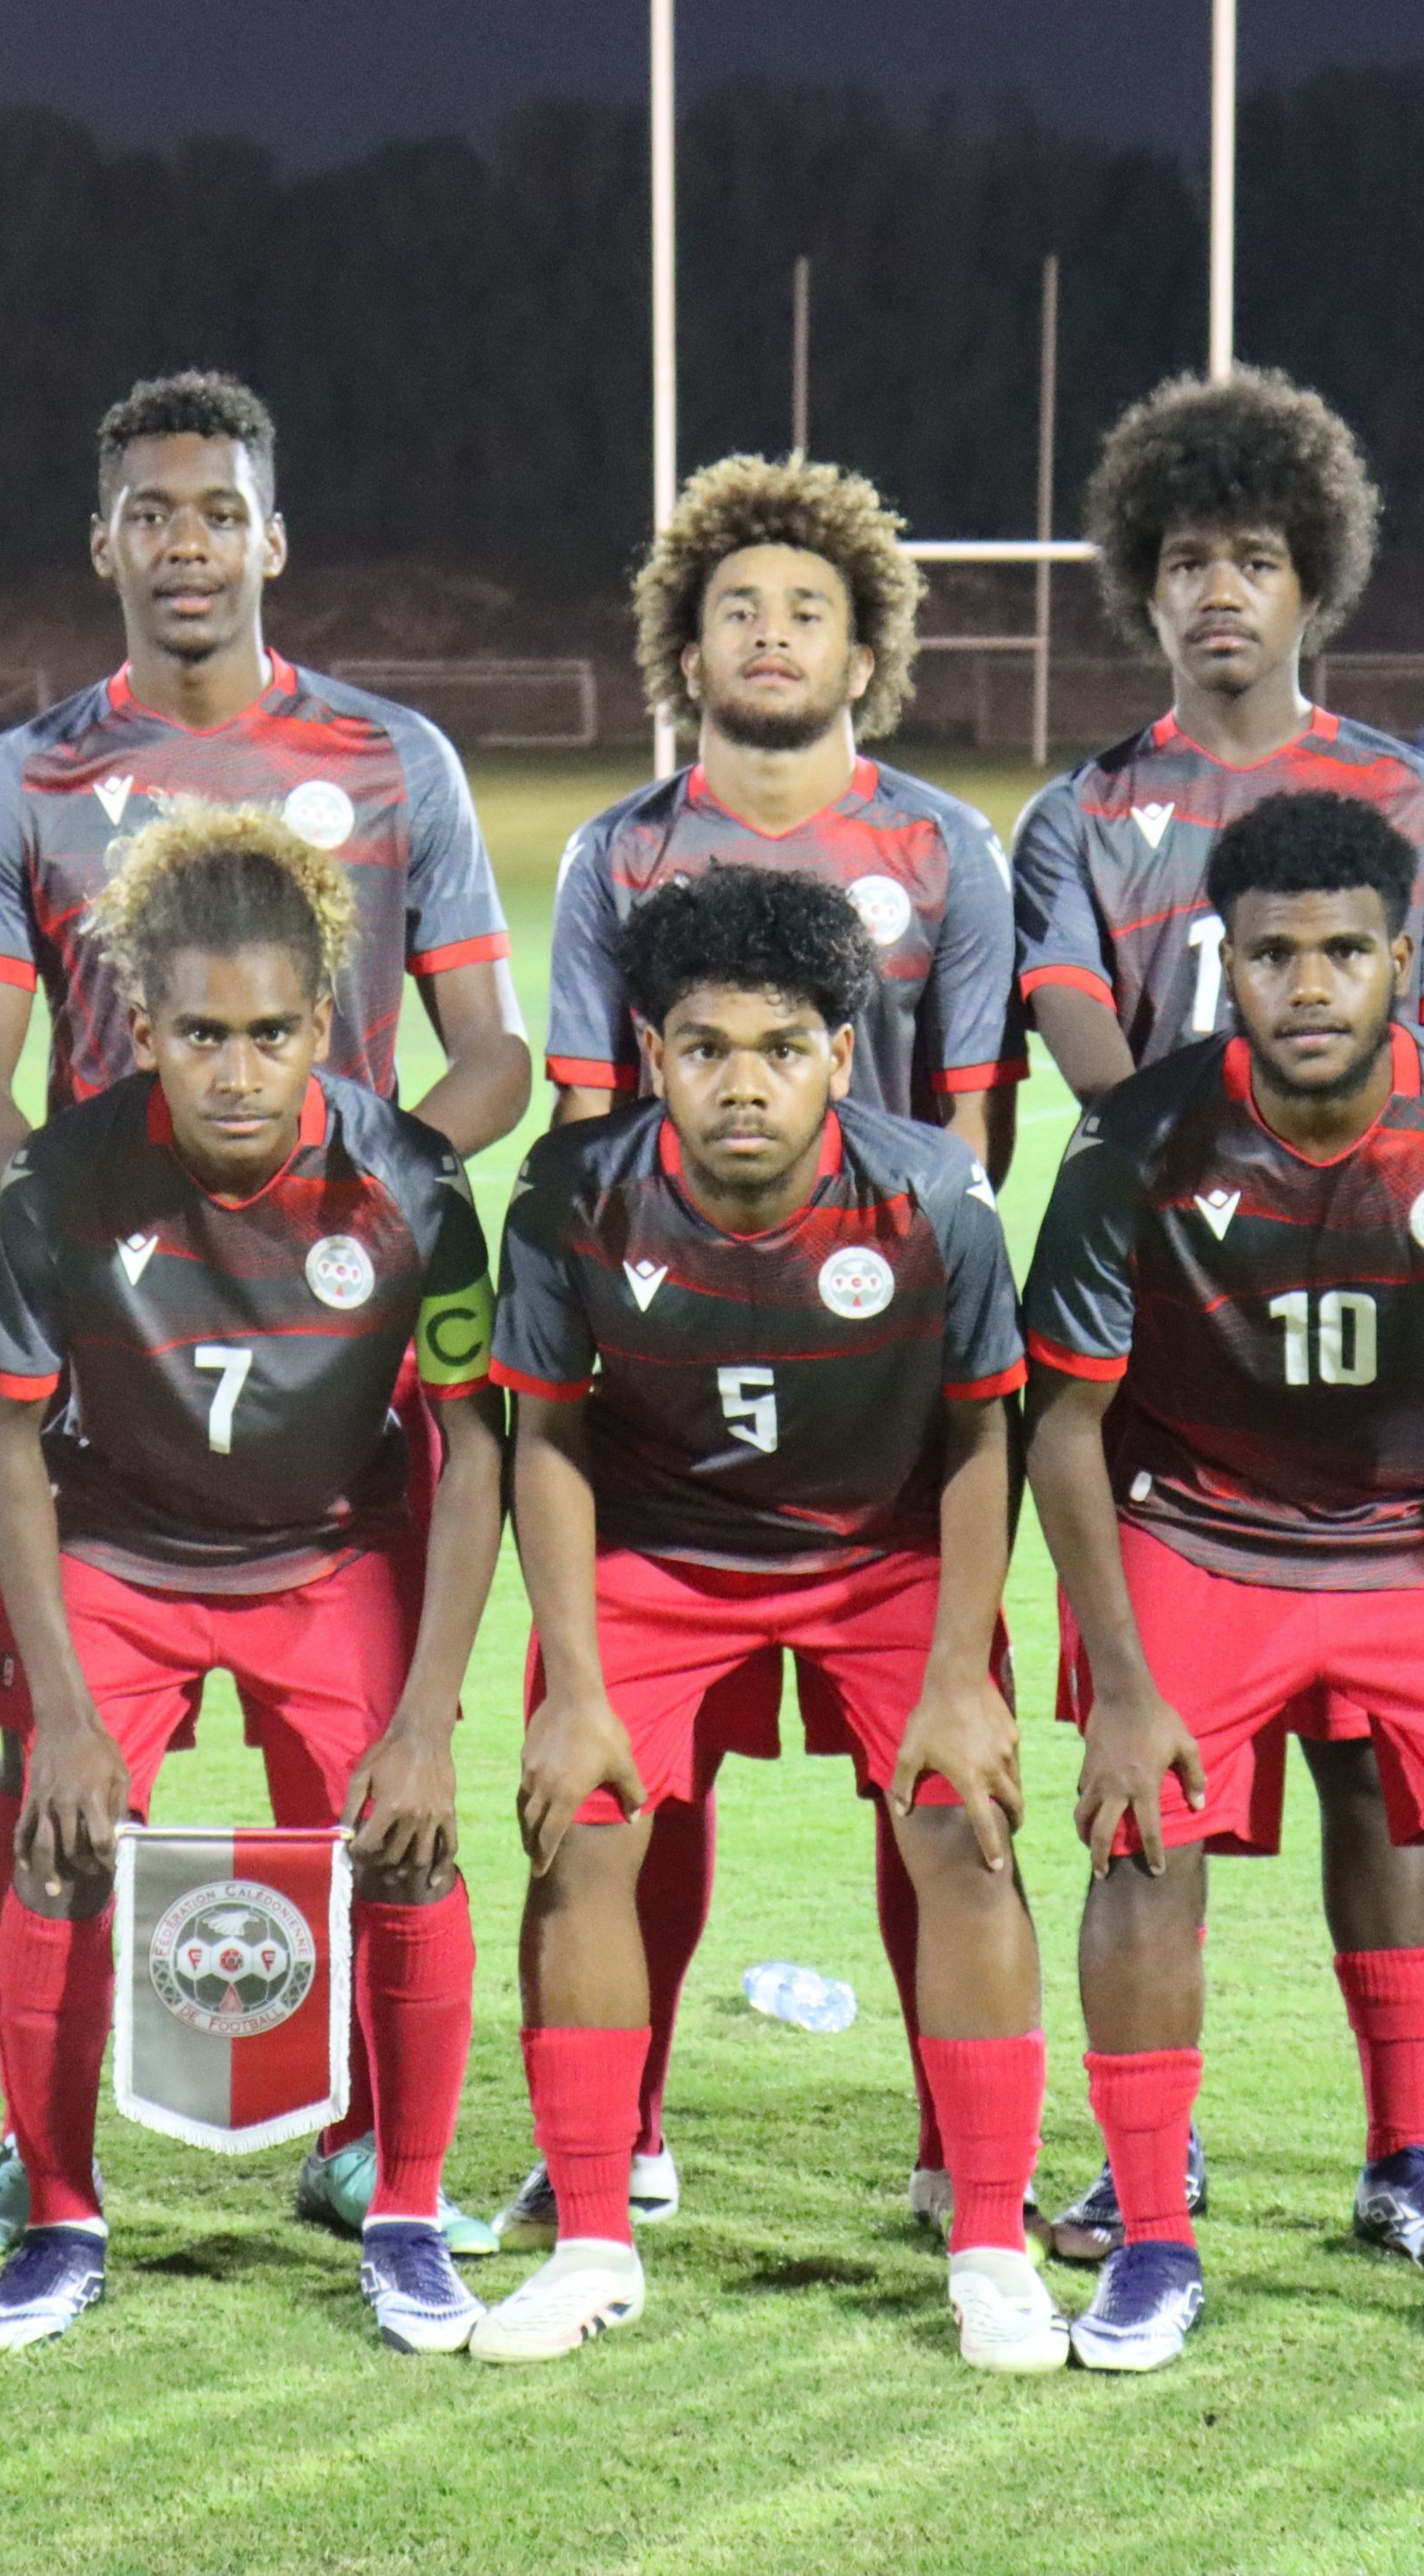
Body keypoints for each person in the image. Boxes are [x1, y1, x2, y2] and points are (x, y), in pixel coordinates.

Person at [0, 369, 528, 2263]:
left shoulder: (392, 759)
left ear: (276, 536)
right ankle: (46, 2165)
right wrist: (103, 1230)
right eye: (150, 513)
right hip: (122, 1381)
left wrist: (348, 1216)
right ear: (104, 543)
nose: (186, 544)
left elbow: (494, 1051)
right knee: (62, 1802)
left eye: (218, 510)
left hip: (333, 1391)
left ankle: (363, 2144)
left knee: (371, 1812)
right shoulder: (27, 779)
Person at [1021, 789, 1424, 2378]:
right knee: (1142, 1840)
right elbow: (1061, 1418)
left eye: (1341, 951)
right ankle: (1151, 2238)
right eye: (1272, 951)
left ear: (1400, 959)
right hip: (1201, 1526)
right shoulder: (1133, 1138)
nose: (1306, 983)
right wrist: (1122, 1677)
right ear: (1223, 959)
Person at [1007, 365, 1424, 2270]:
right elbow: (1074, 1027)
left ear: (1319, 584)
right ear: (1146, 581)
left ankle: (1404, 2148)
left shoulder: (1413, 796)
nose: (1223, 593)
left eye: (1260, 560)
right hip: (1167, 1349)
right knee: (1161, 1770)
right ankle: (1162, 2150)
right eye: (1191, 560)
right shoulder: (1090, 808)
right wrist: (1200, 1206)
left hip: (1391, 1333)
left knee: (1390, 1762)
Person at [516, 452, 1021, 2240]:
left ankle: (970, 2158)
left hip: (879, 1394)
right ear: (686, 638)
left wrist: (880, 1296)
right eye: (739, 605)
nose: (774, 632)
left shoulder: (945, 845)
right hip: (667, 1399)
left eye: (810, 606)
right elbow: (584, 1131)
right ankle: (622, 2125)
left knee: (939, 1800)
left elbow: (972, 1125)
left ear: (866, 642)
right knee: (645, 1784)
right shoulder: (621, 849)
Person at [488, 869, 1049, 2369]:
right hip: (662, 1550)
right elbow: (542, 1436)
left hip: (881, 1548)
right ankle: (594, 2230)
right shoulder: (569, 1196)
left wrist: (954, 1676)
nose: (745, 1082)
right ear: (649, 1051)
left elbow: (984, 1433)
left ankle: (987, 2233)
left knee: (961, 1819)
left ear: (842, 1056)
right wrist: (573, 1684)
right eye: (706, 1045)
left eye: (782, 1046)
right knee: (584, 1819)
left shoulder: (933, 1193)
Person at [0, 810, 505, 2354]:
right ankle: (60, 2214)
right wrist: (57, 1706)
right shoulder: (59, 1181)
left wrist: (427, 1714)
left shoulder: (412, 1182)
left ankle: (401, 2208)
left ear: (322, 1025)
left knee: (406, 1838)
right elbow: (7, 1450)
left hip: (328, 1550)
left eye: (271, 1031)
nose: (237, 1068)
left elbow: (472, 1452)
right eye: (200, 1032)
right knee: (55, 1841)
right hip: (116, 1550)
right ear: (143, 1028)